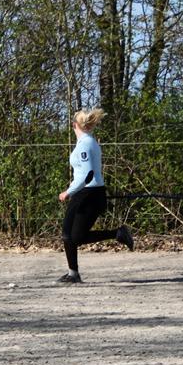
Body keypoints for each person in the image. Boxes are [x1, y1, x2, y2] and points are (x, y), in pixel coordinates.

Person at [58, 107, 133, 283]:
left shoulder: (85, 145)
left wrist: (68, 192)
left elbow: (87, 174)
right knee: (74, 236)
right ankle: (117, 234)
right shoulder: (88, 142)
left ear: (74, 125)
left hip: (87, 194)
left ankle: (73, 274)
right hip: (88, 192)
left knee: (69, 235)